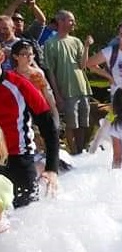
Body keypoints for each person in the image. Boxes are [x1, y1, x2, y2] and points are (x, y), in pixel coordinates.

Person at [0, 68, 59, 207]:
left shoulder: (19, 85)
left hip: (19, 159)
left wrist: (52, 168)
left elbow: (49, 127)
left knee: (26, 212)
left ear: (1, 58)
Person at [43, 10, 93, 154]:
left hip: (82, 88)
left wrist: (87, 46)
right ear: (60, 21)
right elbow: (50, 72)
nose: (73, 23)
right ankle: (74, 151)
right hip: (66, 90)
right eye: (70, 20)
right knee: (71, 124)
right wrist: (57, 95)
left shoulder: (76, 41)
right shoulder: (50, 44)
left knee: (83, 123)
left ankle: (81, 151)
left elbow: (83, 65)